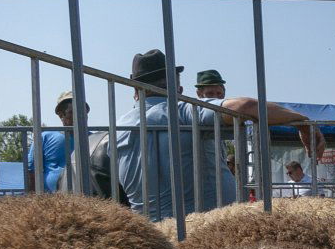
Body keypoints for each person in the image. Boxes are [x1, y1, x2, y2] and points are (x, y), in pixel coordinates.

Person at [115, 49, 323, 221]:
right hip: (202, 233)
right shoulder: (183, 112)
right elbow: (245, 106)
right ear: (177, 87)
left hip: (150, 235)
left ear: (135, 90)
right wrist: (303, 122)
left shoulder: (119, 128)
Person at [26, 90, 86, 192]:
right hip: (53, 201)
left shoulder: (95, 139)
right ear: (61, 115)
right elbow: (31, 172)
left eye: (83, 110)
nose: (80, 115)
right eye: (72, 112)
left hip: (87, 197)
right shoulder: (44, 137)